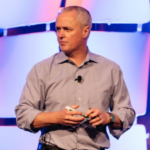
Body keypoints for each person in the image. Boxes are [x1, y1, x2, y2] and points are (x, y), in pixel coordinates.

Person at [15, 6, 135, 150]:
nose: (60, 35)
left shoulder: (110, 69)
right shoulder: (42, 69)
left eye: (67, 29)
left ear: (85, 31)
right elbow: (23, 114)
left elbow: (127, 113)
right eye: (58, 29)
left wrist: (107, 118)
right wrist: (56, 117)